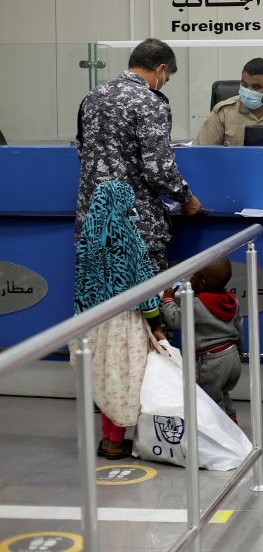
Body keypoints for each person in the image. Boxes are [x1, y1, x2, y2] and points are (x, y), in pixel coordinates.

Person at [76, 38, 203, 272]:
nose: (163, 84)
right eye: (166, 79)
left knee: (103, 304)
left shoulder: (92, 97)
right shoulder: (149, 102)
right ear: (160, 69)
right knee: (146, 305)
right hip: (136, 228)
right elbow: (158, 169)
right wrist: (186, 198)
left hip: (93, 225)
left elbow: (82, 153)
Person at [74, 180, 163, 460]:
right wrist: (156, 322)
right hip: (124, 322)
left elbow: (82, 287)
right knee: (122, 381)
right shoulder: (128, 236)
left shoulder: (87, 237)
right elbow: (144, 284)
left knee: (102, 379)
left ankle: (104, 438)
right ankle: (115, 441)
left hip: (92, 322)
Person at [160, 257, 244, 423]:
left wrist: (168, 300)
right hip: (233, 357)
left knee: (210, 400)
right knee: (223, 393)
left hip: (210, 362)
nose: (190, 280)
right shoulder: (232, 300)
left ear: (203, 283)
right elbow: (239, 326)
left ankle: (222, 436)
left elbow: (176, 320)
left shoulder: (197, 304)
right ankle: (232, 425)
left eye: (194, 277)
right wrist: (241, 350)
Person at [194, 57, 263, 146]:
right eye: (244, 85)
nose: (248, 91)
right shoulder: (223, 112)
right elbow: (201, 151)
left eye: (256, 87)